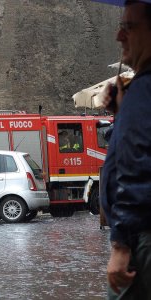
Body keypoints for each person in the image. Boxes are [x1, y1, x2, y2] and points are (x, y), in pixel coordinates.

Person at [100, 1, 151, 298]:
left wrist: (120, 244)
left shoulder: (144, 90)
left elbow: (138, 167)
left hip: (141, 242)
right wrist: (122, 112)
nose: (119, 35)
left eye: (129, 27)